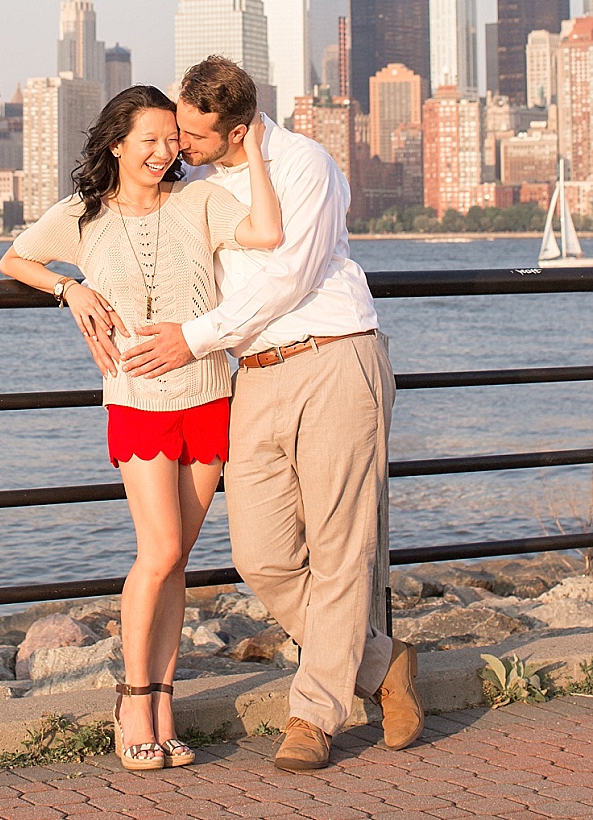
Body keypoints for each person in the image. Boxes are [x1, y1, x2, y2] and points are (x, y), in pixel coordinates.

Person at [120, 56, 425, 773]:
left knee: (342, 547)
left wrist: (191, 339)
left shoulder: (304, 164)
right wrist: (77, 293)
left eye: (193, 135)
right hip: (250, 374)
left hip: (333, 360)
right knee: (259, 553)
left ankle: (314, 716)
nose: (180, 144)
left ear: (236, 131)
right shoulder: (191, 181)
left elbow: (288, 277)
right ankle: (382, 662)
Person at [0, 84, 282, 771]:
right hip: (137, 399)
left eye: (172, 140)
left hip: (210, 392)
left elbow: (269, 234)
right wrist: (72, 289)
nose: (163, 152)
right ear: (116, 144)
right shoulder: (82, 214)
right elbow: (14, 259)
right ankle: (132, 698)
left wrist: (258, 151)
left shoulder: (202, 200)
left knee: (176, 561)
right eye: (148, 140)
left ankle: (162, 698)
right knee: (156, 552)